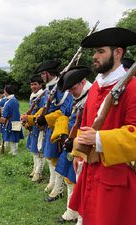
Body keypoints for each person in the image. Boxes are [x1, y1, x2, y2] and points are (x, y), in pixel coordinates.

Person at [69, 27, 136, 225]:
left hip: (115, 180)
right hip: (90, 172)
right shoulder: (96, 87)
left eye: (100, 51)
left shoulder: (132, 88)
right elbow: (85, 124)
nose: (94, 57)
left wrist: (99, 140)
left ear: (118, 53)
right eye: (94, 52)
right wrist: (79, 154)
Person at [25, 60, 73, 201]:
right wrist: (33, 118)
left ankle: (58, 189)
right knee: (50, 158)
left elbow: (64, 111)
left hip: (57, 127)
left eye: (43, 74)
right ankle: (53, 184)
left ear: (49, 73)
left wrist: (46, 119)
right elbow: (46, 109)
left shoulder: (61, 89)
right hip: (49, 127)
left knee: (57, 159)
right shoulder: (50, 88)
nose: (42, 77)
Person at [52, 66, 93, 224]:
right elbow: (65, 114)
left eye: (72, 89)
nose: (70, 93)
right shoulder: (78, 96)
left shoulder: (91, 96)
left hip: (84, 148)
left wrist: (74, 142)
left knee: (83, 185)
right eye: (67, 90)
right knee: (70, 179)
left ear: (82, 82)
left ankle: (81, 219)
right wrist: (63, 135)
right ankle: (71, 211)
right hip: (71, 143)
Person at [22, 75, 46, 182]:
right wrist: (27, 122)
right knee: (34, 150)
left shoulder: (43, 97)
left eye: (35, 84)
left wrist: (30, 119)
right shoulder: (33, 96)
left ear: (41, 85)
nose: (33, 86)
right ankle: (35, 170)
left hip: (39, 125)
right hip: (32, 126)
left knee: (39, 150)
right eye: (31, 84)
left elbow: (41, 112)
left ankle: (38, 173)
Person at [1, 85, 24, 155]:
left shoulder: (13, 101)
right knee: (10, 136)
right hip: (7, 120)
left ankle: (15, 152)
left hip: (12, 121)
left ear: (6, 91)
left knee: (13, 136)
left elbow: (16, 114)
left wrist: (15, 124)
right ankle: (12, 150)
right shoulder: (9, 100)